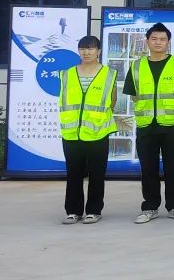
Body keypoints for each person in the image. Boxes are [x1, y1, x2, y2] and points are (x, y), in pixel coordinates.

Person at [128, 23, 174, 224]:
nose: (158, 42)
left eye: (162, 39)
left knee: (173, 168)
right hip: (146, 124)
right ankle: (150, 207)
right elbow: (133, 95)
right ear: (147, 41)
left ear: (168, 42)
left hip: (173, 124)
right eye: (154, 39)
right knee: (148, 168)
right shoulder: (136, 66)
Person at [59, 35, 118, 225]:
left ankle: (94, 210)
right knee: (73, 174)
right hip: (71, 132)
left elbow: (113, 100)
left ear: (98, 51)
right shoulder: (66, 74)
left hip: (98, 132)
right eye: (83, 48)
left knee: (97, 174)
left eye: (91, 48)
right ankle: (73, 211)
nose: (86, 52)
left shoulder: (109, 74)